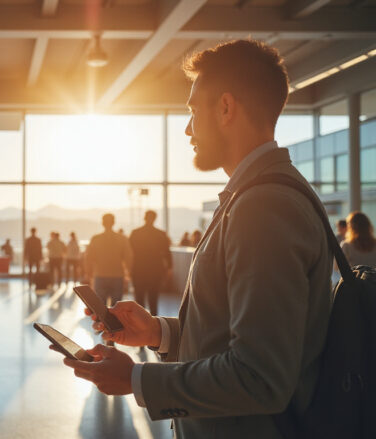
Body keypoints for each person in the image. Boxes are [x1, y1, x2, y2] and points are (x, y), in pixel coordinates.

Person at [63, 40, 333, 438]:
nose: (187, 129)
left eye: (192, 111)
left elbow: (259, 376)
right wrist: (159, 332)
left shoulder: (264, 207)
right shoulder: (257, 196)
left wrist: (137, 380)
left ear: (225, 108)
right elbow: (233, 332)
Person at [128, 211, 172, 316]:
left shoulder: (135, 233)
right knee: (153, 298)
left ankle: (139, 321)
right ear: (155, 219)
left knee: (139, 299)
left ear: (144, 218)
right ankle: (153, 322)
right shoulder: (161, 234)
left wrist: (129, 269)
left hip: (138, 270)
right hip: (155, 271)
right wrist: (169, 268)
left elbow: (129, 253)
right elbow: (167, 252)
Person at [85, 214, 133, 306]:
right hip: (117, 275)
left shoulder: (96, 239)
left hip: (100, 275)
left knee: (100, 308)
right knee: (117, 308)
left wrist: (88, 273)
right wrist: (128, 272)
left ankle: (102, 321)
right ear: (114, 222)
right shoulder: (122, 238)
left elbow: (88, 257)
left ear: (102, 223)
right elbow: (129, 257)